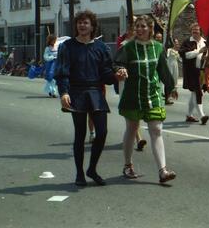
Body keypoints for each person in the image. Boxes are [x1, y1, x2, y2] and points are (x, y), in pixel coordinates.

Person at [55, 10, 118, 186]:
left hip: (95, 92)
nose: (82, 25)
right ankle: (79, 173)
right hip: (76, 92)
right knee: (80, 134)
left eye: (86, 22)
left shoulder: (101, 48)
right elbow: (62, 73)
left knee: (102, 132)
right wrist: (64, 92)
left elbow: (106, 74)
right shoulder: (67, 46)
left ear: (92, 26)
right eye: (79, 22)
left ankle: (92, 169)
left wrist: (116, 76)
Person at [114, 15, 177, 183]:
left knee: (156, 130)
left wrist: (171, 87)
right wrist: (120, 70)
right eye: (138, 26)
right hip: (133, 96)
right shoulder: (128, 47)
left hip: (153, 95)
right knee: (132, 128)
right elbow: (117, 63)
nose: (140, 29)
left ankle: (163, 170)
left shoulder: (157, 48)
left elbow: (163, 71)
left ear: (151, 28)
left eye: (143, 26)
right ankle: (128, 165)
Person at [116, 21, 147, 151]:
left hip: (139, 83)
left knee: (137, 110)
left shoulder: (142, 45)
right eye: (135, 28)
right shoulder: (124, 45)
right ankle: (138, 137)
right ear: (130, 31)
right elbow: (117, 63)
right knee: (130, 110)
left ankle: (134, 135)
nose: (138, 31)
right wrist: (121, 69)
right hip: (126, 83)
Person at [179, 23, 209, 125]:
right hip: (192, 72)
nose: (195, 32)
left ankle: (189, 115)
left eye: (196, 30)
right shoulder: (187, 42)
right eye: (193, 31)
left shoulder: (206, 42)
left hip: (202, 72)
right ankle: (202, 115)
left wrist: (206, 57)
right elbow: (185, 55)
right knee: (198, 93)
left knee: (194, 93)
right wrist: (198, 51)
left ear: (201, 31)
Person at [165, 38, 181, 106]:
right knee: (169, 81)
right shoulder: (169, 50)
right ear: (173, 43)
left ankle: (171, 95)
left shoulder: (178, 52)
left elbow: (180, 60)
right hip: (170, 65)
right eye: (176, 43)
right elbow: (167, 56)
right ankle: (167, 98)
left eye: (178, 43)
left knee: (175, 80)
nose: (177, 44)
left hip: (175, 66)